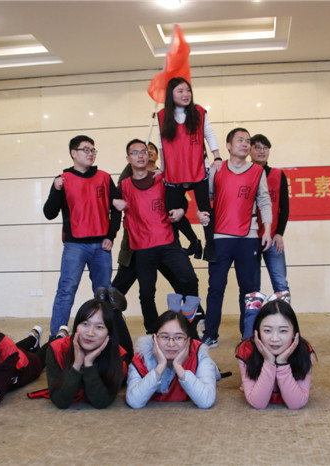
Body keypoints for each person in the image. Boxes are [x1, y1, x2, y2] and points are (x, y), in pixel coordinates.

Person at [114, 139, 201, 335]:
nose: (140, 155)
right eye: (135, 152)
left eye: (144, 151)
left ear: (149, 155)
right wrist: (113, 202)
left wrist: (181, 210)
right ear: (128, 158)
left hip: (168, 243)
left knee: (189, 280)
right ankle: (152, 332)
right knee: (146, 294)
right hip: (142, 248)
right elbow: (102, 200)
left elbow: (181, 200)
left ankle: (190, 328)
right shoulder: (124, 186)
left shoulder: (163, 179)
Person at [198, 127, 273, 347]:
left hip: (249, 237)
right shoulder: (217, 169)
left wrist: (267, 231)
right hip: (220, 237)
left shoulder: (257, 171)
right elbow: (205, 198)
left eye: (247, 141)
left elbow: (264, 201)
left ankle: (248, 335)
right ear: (228, 145)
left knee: (248, 290)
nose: (244, 144)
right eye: (240, 140)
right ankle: (210, 334)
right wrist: (200, 213)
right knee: (216, 287)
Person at [43, 135, 122, 338]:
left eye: (93, 150)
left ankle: (105, 336)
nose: (91, 153)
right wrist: (56, 190)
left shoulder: (104, 177)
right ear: (73, 153)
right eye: (86, 149)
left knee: (104, 293)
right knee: (66, 290)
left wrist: (111, 236)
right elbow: (49, 213)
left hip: (102, 246)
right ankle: (56, 337)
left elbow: (117, 208)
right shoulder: (63, 179)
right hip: (74, 245)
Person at [157, 77, 220, 262]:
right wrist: (162, 168)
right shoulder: (162, 116)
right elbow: (161, 144)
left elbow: (209, 133)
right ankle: (193, 241)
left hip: (197, 167)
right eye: (180, 91)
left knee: (205, 209)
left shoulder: (198, 112)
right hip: (174, 170)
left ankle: (210, 246)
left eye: (188, 90)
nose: (186, 94)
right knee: (171, 212)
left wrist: (216, 156)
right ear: (171, 94)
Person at [30, 299, 127, 409]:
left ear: (108, 333)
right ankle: (61, 333)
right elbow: (60, 401)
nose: (90, 333)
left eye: (99, 327)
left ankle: (115, 309)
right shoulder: (57, 350)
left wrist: (88, 364)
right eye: (85, 324)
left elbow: (101, 402)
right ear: (76, 326)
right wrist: (77, 365)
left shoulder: (119, 356)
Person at [126, 310, 219, 409]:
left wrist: (178, 367)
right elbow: (134, 401)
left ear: (188, 340)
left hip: (209, 367)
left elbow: (206, 401)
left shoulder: (199, 354)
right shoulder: (142, 355)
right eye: (164, 337)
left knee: (212, 370)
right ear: (155, 338)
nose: (171, 344)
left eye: (178, 337)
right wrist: (160, 366)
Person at [236, 300, 314, 409]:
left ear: (294, 333)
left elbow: (296, 404)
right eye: (267, 331)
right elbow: (258, 403)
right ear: (257, 332)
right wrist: (269, 362)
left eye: (283, 331)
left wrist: (282, 363)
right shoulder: (246, 350)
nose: (275, 339)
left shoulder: (304, 351)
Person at [249, 134, 291, 303]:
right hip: (250, 237)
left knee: (281, 284)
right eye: (258, 147)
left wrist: (279, 233)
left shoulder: (278, 175)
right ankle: (251, 320)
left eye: (265, 148)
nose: (262, 151)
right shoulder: (244, 174)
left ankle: (284, 319)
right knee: (251, 287)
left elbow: (284, 207)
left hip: (272, 237)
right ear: (249, 150)